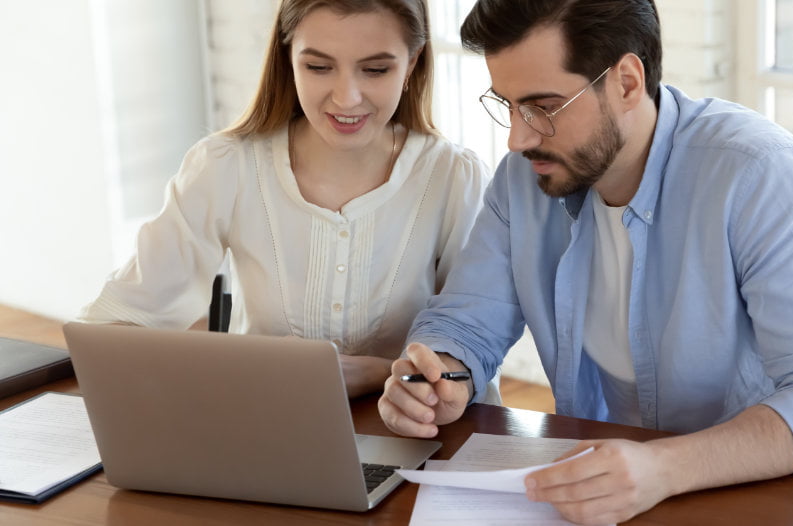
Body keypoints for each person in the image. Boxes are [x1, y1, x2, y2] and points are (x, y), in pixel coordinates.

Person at [377, 0, 793, 523]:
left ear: (625, 82)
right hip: (606, 496)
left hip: (764, 499)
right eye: (506, 105)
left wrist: (664, 468)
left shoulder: (760, 176)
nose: (518, 138)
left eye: (543, 107)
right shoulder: (523, 181)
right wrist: (438, 379)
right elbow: (465, 325)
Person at [79, 0, 495, 400]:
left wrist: (379, 375)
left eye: (375, 69)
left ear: (413, 63)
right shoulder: (226, 166)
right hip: (258, 424)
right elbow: (115, 323)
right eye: (317, 66)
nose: (346, 97)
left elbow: (469, 351)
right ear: (287, 58)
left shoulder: (454, 177)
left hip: (418, 430)